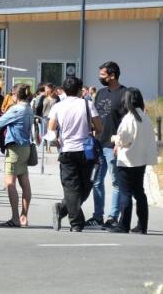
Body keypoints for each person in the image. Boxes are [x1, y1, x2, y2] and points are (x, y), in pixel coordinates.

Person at [47, 76, 103, 232]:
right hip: (87, 151)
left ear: (63, 90)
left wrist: (56, 141)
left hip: (67, 151)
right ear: (80, 90)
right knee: (85, 187)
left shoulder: (58, 107)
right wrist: (93, 136)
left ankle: (62, 208)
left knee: (72, 188)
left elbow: (51, 129)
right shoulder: (87, 104)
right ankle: (77, 223)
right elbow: (99, 128)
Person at [110, 88, 157, 234]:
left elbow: (123, 140)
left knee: (125, 192)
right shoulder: (145, 117)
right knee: (139, 193)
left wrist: (113, 138)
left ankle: (123, 225)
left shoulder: (129, 118)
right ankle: (142, 226)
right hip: (141, 160)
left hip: (128, 160)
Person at [88, 61, 128, 229]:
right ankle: (98, 216)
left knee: (116, 182)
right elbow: (95, 116)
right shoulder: (101, 93)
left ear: (112, 75)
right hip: (98, 143)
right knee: (97, 181)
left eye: (103, 75)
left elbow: (127, 121)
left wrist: (120, 143)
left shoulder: (125, 93)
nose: (100, 78)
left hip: (113, 146)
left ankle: (113, 217)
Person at [0, 84, 34, 227]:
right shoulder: (29, 108)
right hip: (26, 147)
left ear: (15, 95)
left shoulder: (16, 109)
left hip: (15, 147)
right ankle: (24, 216)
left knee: (10, 183)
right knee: (25, 183)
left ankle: (15, 218)